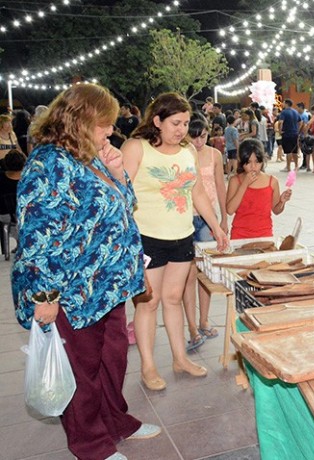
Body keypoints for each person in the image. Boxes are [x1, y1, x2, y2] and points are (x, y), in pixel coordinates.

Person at [11, 83, 161, 460]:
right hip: (72, 289)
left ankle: (115, 422)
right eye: (103, 124)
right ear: (78, 120)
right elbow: (36, 238)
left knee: (112, 358)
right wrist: (45, 298)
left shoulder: (90, 155)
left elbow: (125, 206)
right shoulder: (47, 163)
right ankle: (90, 443)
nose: (109, 131)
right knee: (83, 369)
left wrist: (118, 173)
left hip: (107, 284)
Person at [121, 92, 229, 392]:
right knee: (149, 302)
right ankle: (148, 366)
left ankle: (180, 358)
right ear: (157, 121)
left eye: (185, 123)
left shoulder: (187, 152)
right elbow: (120, 195)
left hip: (182, 236)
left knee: (173, 299)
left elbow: (197, 194)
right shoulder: (135, 148)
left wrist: (217, 227)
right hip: (147, 239)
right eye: (175, 123)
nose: (181, 130)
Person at [182, 119, 228, 351]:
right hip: (184, 218)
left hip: (207, 219)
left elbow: (221, 186)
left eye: (202, 136)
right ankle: (191, 326)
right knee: (188, 275)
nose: (198, 141)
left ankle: (203, 320)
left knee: (205, 273)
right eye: (194, 136)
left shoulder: (214, 155)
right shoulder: (181, 154)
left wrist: (223, 218)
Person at [226, 139, 292, 239]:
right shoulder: (235, 181)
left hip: (265, 235)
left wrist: (282, 202)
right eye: (248, 162)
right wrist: (244, 184)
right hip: (239, 235)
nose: (253, 166)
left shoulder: (272, 181)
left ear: (262, 160)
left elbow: (276, 211)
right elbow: (230, 210)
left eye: (257, 161)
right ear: (241, 161)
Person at [278, 99, 301, 172]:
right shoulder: (295, 112)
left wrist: (280, 130)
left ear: (286, 104)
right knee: (294, 150)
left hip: (287, 133)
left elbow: (280, 122)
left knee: (288, 151)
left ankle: (288, 167)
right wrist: (297, 129)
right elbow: (300, 122)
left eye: (283, 103)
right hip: (295, 133)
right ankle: (296, 166)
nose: (283, 104)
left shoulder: (284, 112)